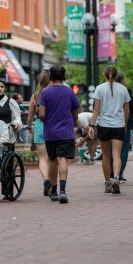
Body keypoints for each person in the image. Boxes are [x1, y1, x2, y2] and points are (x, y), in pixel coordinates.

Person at [38, 64, 80, 204]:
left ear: (50, 76)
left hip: (50, 132)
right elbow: (75, 114)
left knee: (53, 160)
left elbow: (41, 113)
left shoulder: (45, 92)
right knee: (63, 159)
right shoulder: (69, 92)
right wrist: (73, 123)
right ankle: (63, 191)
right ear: (64, 76)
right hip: (66, 132)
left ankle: (54, 190)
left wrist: (47, 121)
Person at [88, 66, 129, 195]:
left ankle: (108, 183)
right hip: (118, 125)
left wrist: (91, 125)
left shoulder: (99, 88)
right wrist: (125, 123)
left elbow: (96, 110)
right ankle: (116, 178)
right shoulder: (123, 89)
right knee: (116, 154)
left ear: (104, 75)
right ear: (116, 75)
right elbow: (127, 111)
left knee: (106, 156)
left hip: (103, 125)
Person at [112, 72, 133, 182]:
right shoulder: (126, 91)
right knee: (123, 150)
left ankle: (111, 174)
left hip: (108, 124)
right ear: (121, 80)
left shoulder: (104, 90)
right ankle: (118, 174)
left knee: (112, 151)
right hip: (123, 124)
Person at [26, 70, 52, 195]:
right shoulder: (53, 93)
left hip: (40, 127)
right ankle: (53, 183)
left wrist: (29, 126)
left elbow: (30, 116)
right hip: (53, 126)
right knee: (53, 158)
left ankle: (46, 179)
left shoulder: (35, 96)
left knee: (42, 158)